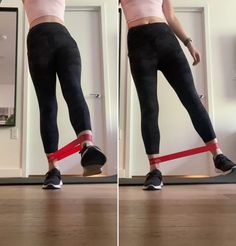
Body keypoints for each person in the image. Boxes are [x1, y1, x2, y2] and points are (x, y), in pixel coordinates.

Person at [120, 0, 236, 190]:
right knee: (149, 106)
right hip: (138, 44)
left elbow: (170, 16)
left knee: (192, 99)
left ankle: (218, 155)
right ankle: (155, 170)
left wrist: (189, 43)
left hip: (166, 40)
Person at [0, 0, 107, 189]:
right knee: (47, 104)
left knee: (73, 89)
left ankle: (87, 146)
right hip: (37, 41)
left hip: (64, 38)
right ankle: (53, 169)